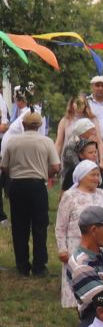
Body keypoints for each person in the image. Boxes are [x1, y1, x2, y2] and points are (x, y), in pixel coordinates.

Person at [55, 160, 103, 310]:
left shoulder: (102, 194)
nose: (97, 178)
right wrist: (62, 249)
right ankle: (78, 307)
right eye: (93, 175)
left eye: (98, 175)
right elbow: (60, 226)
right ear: (81, 176)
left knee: (102, 274)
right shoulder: (69, 196)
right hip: (77, 244)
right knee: (79, 273)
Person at [2, 110, 57, 276]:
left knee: (19, 226)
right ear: (40, 125)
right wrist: (43, 173)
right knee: (39, 226)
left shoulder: (12, 141)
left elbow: (4, 166)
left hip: (17, 185)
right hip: (37, 185)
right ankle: (39, 266)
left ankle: (22, 265)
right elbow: (55, 166)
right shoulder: (46, 141)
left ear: (23, 125)